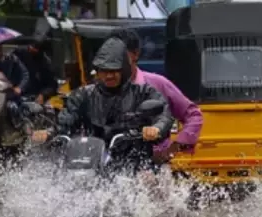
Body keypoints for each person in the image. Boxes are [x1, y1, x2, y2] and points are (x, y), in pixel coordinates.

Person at [32, 38, 174, 173]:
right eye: (104, 71)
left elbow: (164, 114)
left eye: (114, 71)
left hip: (133, 163)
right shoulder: (84, 94)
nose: (109, 76)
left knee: (147, 179)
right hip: (89, 161)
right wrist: (49, 132)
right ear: (97, 71)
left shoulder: (143, 92)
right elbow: (65, 120)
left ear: (124, 69)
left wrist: (156, 128)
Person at [108, 27, 203, 163]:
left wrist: (173, 148)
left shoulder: (158, 84)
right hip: (108, 165)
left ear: (135, 54)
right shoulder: (98, 89)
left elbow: (194, 115)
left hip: (150, 167)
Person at [13, 22, 58, 105]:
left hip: (34, 98)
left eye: (36, 47)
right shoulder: (19, 54)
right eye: (31, 46)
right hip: (16, 95)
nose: (32, 49)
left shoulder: (45, 63)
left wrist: (43, 95)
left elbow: (52, 85)